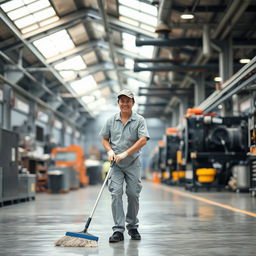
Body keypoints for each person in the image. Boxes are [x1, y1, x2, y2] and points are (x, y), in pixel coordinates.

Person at [99, 89, 150, 243]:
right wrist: (109, 151)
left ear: (133, 103)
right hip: (115, 164)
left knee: (133, 193)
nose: (125, 103)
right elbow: (104, 138)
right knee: (116, 193)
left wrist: (126, 153)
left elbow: (143, 140)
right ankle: (118, 230)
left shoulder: (139, 120)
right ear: (118, 103)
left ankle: (133, 226)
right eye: (122, 101)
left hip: (132, 163)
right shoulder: (110, 120)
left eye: (128, 101)